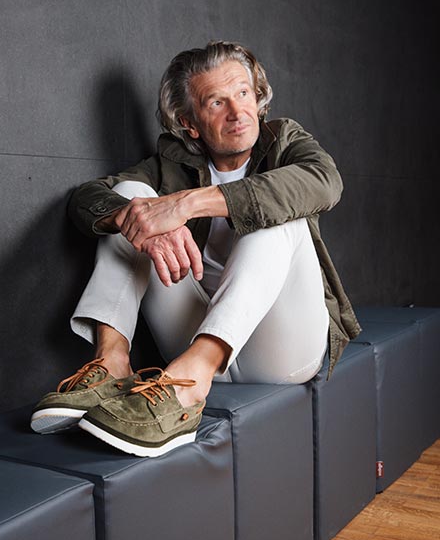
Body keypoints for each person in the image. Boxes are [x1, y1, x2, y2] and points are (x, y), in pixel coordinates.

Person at [31, 41, 360, 456]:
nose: (237, 112)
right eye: (217, 102)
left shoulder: (284, 140)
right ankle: (112, 363)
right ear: (189, 123)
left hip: (282, 350)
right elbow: (87, 198)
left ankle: (190, 388)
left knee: (279, 213)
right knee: (132, 199)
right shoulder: (171, 166)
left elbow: (323, 182)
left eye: (243, 93)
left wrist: (184, 205)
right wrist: (145, 225)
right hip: (189, 341)